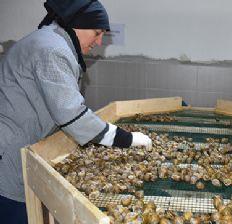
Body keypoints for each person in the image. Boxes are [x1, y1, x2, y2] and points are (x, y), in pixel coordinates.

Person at [0, 0, 152, 223]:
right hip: (11, 155)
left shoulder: (51, 42)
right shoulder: (51, 50)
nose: (99, 41)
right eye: (97, 33)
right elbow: (73, 116)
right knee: (15, 214)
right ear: (77, 25)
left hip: (25, 146)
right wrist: (128, 139)